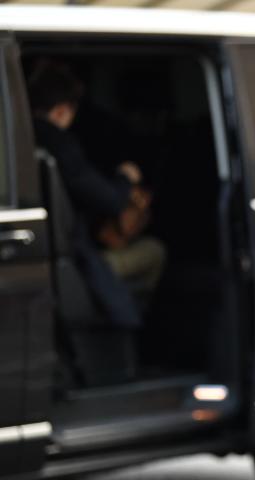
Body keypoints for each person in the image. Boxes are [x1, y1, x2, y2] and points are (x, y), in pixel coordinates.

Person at [28, 61, 165, 306]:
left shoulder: (23, 136)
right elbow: (111, 202)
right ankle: (134, 324)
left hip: (52, 250)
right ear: (61, 110)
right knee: (155, 250)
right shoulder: (61, 145)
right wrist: (125, 177)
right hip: (76, 259)